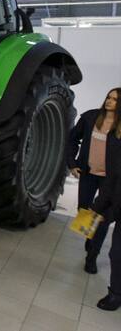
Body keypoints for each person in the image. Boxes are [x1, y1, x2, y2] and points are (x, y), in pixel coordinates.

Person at [68, 88, 121, 274]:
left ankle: (92, 257)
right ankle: (90, 238)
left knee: (103, 219)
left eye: (115, 99)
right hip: (88, 175)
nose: (109, 101)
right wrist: (72, 163)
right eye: (108, 97)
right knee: (84, 211)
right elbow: (72, 139)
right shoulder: (90, 117)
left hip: (110, 181)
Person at [90, 112, 121, 311]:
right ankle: (116, 294)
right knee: (117, 253)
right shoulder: (114, 138)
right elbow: (112, 176)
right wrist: (99, 206)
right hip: (119, 203)